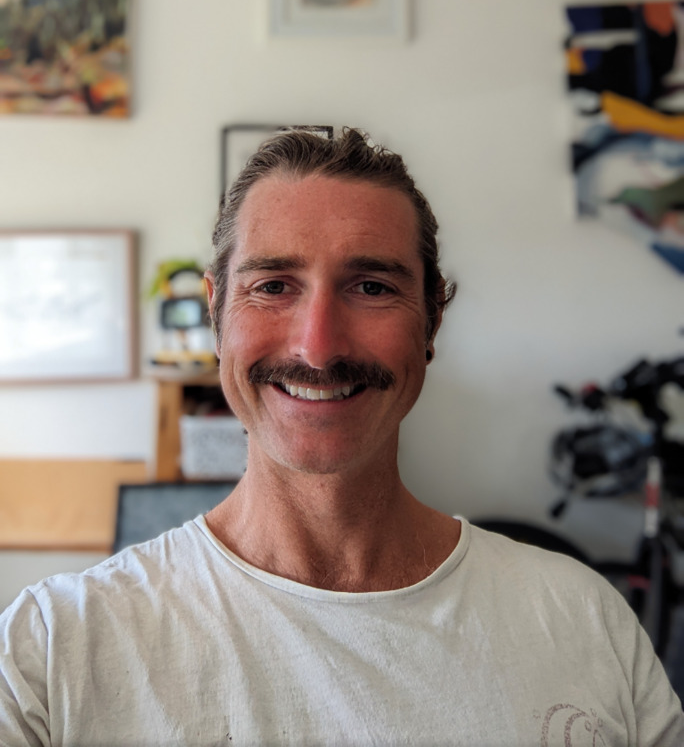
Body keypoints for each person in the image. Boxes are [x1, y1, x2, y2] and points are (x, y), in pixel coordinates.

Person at [1, 128, 682, 747]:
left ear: (432, 322)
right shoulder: (54, 652)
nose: (318, 347)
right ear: (216, 313)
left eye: (371, 287)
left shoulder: (583, 618)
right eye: (273, 285)